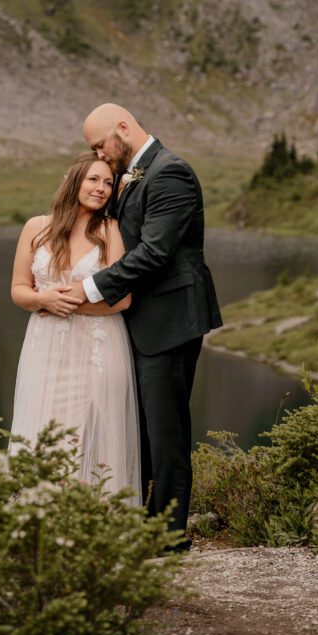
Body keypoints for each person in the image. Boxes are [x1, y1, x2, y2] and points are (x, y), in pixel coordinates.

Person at [67, 104, 222, 547]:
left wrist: (88, 288)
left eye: (100, 144)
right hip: (138, 320)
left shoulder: (171, 173)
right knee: (140, 425)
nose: (99, 153)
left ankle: (169, 535)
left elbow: (154, 253)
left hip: (171, 319)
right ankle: (143, 521)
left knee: (166, 427)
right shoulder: (130, 174)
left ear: (123, 127)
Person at [9, 152, 140, 500]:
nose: (101, 188)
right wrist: (43, 300)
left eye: (108, 183)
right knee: (45, 428)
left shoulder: (110, 230)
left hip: (97, 345)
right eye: (93, 179)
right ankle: (44, 517)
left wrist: (67, 305)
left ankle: (98, 521)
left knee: (94, 432)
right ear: (73, 181)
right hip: (46, 346)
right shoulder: (36, 227)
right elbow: (19, 290)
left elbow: (123, 299)